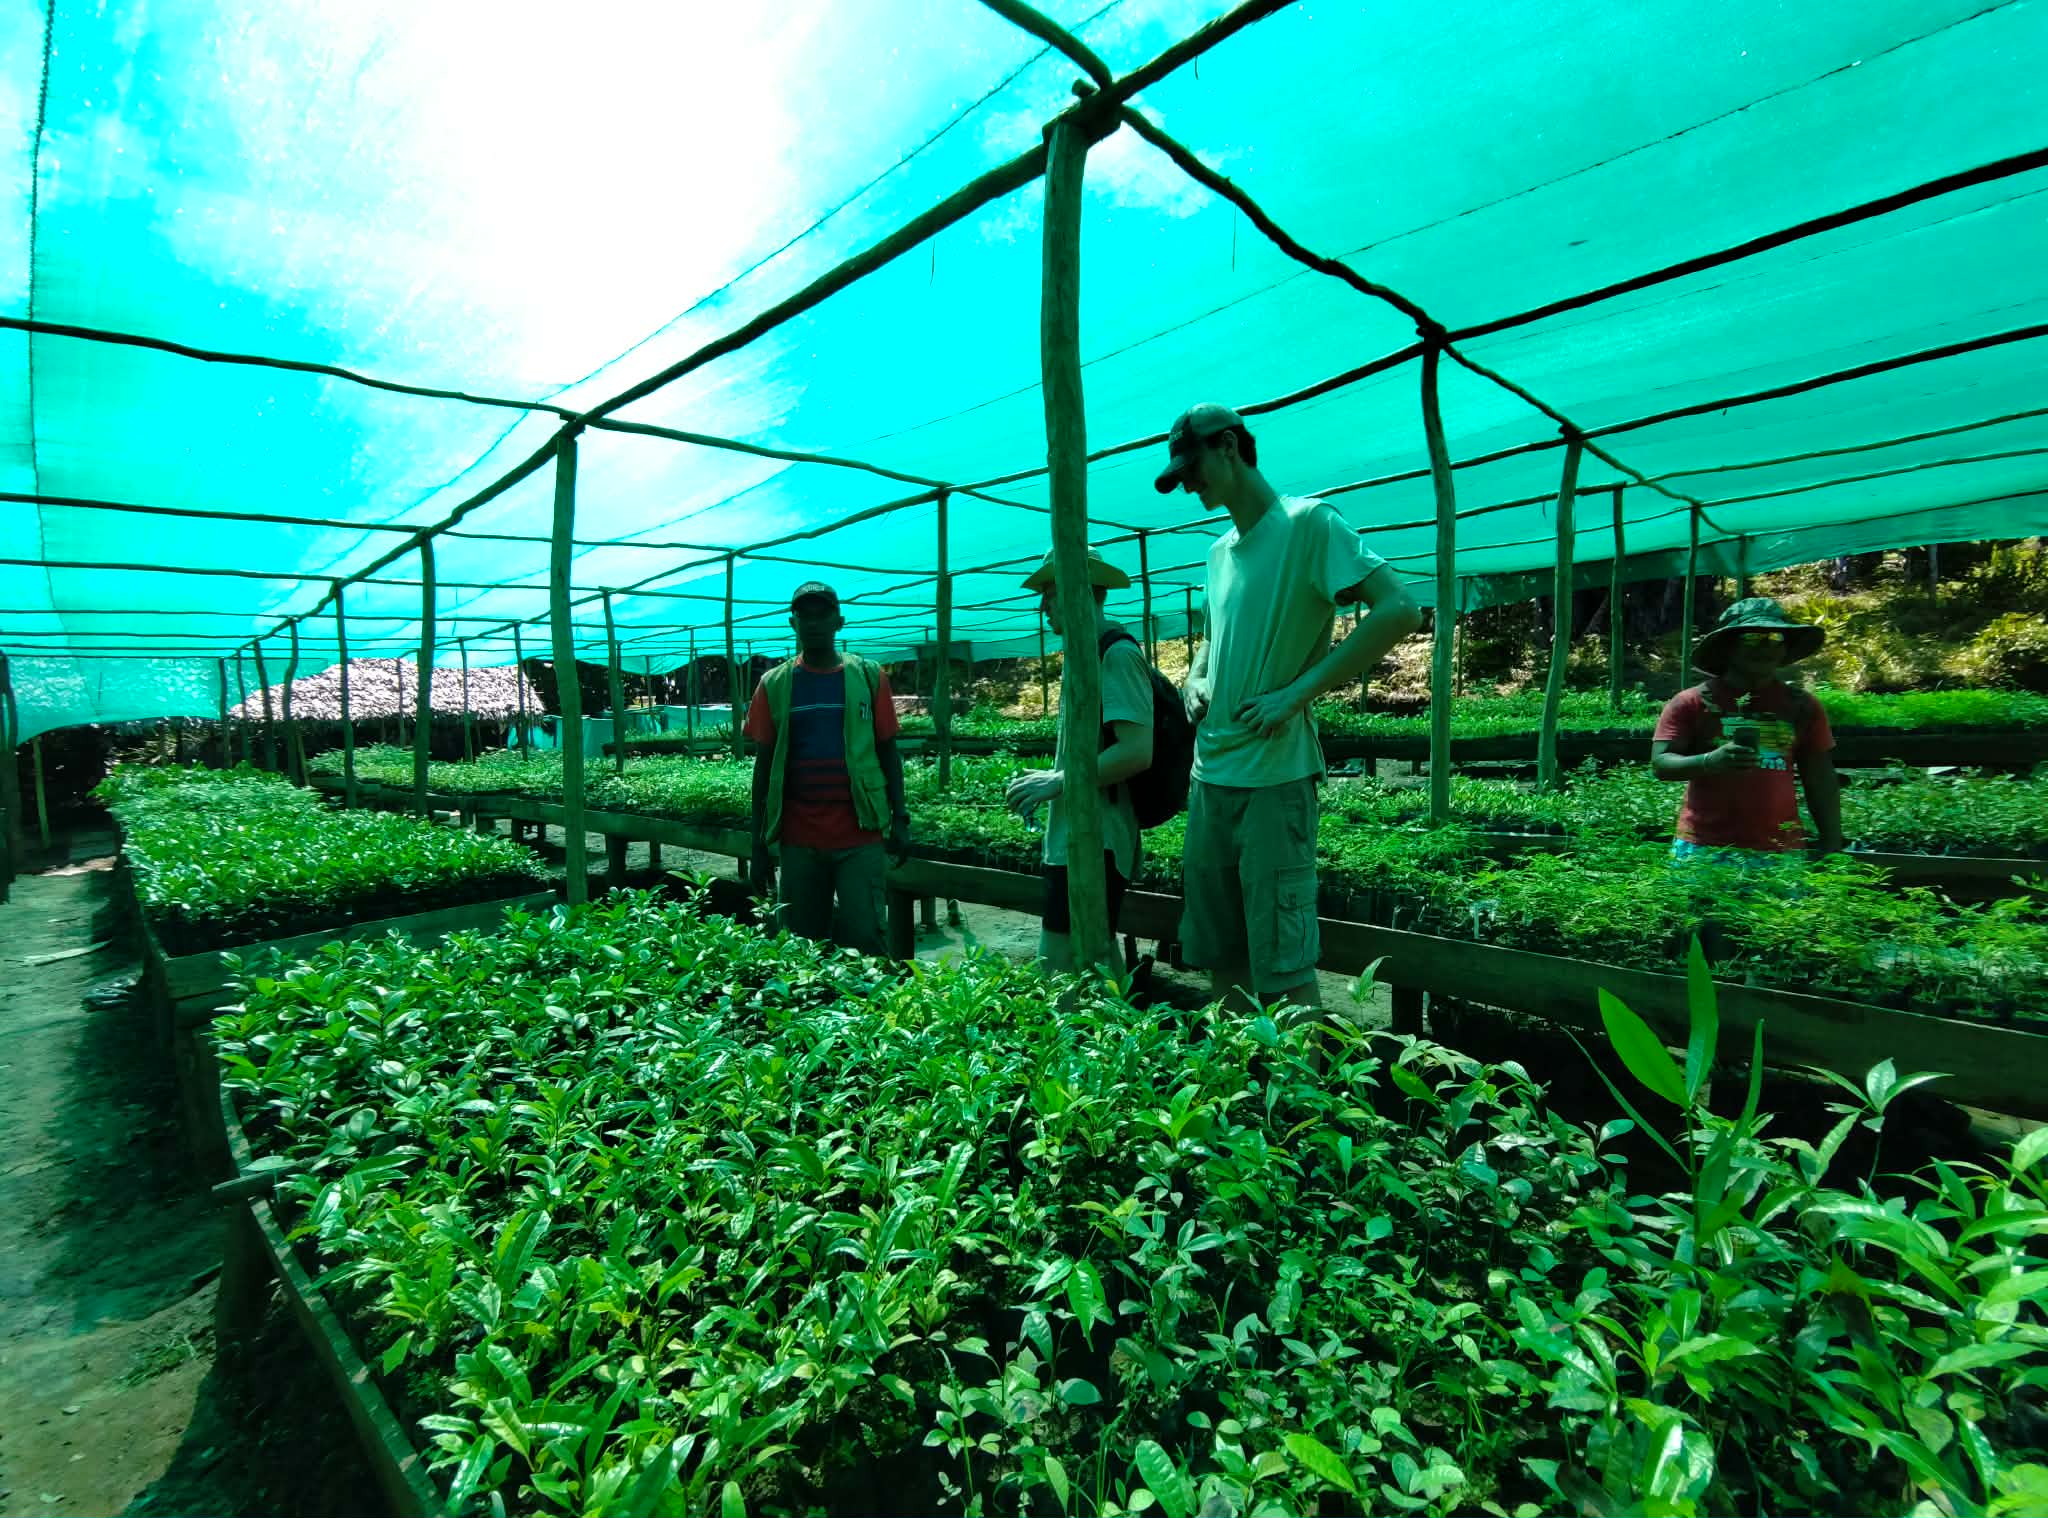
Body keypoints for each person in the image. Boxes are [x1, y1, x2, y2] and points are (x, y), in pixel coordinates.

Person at [1156, 401, 1423, 1021]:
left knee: (1283, 962)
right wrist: (1196, 679)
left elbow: (1400, 610)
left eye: (1191, 465)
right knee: (1222, 954)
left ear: (1229, 446)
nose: (1188, 481)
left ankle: (1299, 1106)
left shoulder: (1309, 525)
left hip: (1274, 778)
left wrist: (1295, 693)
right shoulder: (1219, 552)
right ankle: (1241, 1091)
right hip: (1210, 777)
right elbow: (1212, 641)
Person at [1003, 547, 1155, 973]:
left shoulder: (1116, 654)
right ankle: (1129, 1036)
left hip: (1097, 838)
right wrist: (1054, 775)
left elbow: (1136, 751)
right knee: (1096, 959)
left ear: (1082, 590)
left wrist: (1060, 781)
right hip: (1078, 833)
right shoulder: (1083, 653)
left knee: (1057, 963)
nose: (1042, 605)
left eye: (1050, 593)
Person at [745, 582, 911, 954]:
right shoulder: (773, 685)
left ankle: (867, 1011)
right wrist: (757, 846)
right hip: (799, 841)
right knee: (803, 949)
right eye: (806, 615)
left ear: (839, 621)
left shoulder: (869, 678)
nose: (814, 623)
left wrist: (900, 817)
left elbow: (887, 752)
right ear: (793, 623)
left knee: (866, 941)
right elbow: (764, 770)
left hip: (860, 837)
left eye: (823, 614)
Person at [1651, 597, 1843, 860]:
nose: (1764, 647)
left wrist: (1832, 843)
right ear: (1728, 647)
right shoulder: (1691, 702)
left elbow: (1820, 780)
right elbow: (1661, 763)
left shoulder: (1802, 707)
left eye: (1775, 638)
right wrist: (1710, 761)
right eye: (1751, 638)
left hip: (1781, 851)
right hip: (1704, 847)